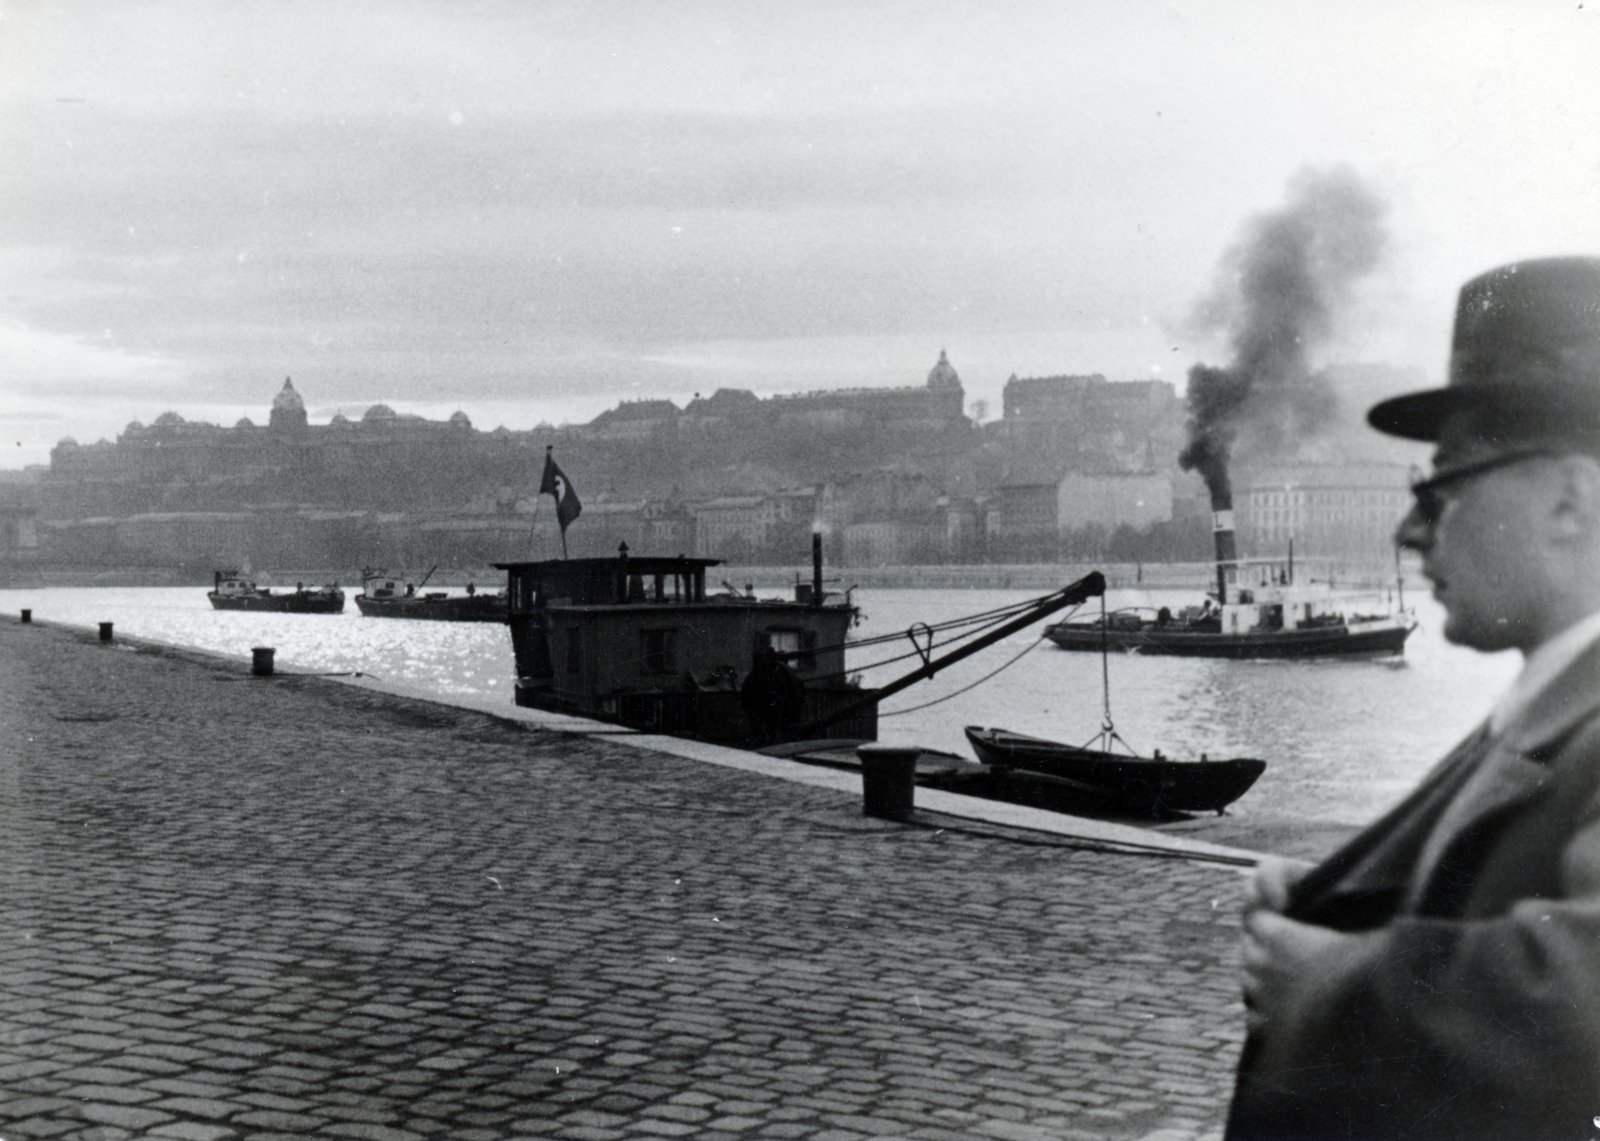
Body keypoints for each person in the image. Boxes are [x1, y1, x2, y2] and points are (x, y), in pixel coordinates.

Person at [1226, 256, 1600, 1141]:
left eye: (1446, 485)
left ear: (1570, 501)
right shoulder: (1553, 696)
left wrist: (1337, 981)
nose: (1409, 530)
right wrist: (1343, 898)